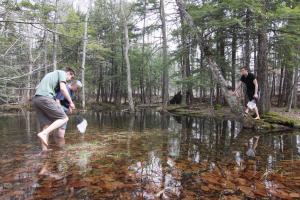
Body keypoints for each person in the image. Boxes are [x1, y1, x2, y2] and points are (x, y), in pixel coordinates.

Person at [33, 67, 75, 151]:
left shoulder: (49, 75)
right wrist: (71, 102)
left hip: (36, 99)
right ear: (69, 73)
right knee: (64, 118)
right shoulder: (62, 73)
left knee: (47, 125)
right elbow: (63, 88)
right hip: (45, 98)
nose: (70, 79)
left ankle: (44, 150)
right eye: (71, 77)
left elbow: (36, 87)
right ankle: (44, 133)